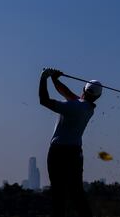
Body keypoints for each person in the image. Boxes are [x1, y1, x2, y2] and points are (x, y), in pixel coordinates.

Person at [39, 68, 102, 217]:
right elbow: (69, 95)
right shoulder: (87, 108)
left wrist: (43, 78)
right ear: (97, 97)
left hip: (59, 152)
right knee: (77, 193)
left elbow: (43, 100)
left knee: (58, 192)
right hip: (75, 153)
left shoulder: (74, 106)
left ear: (83, 89)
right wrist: (55, 80)